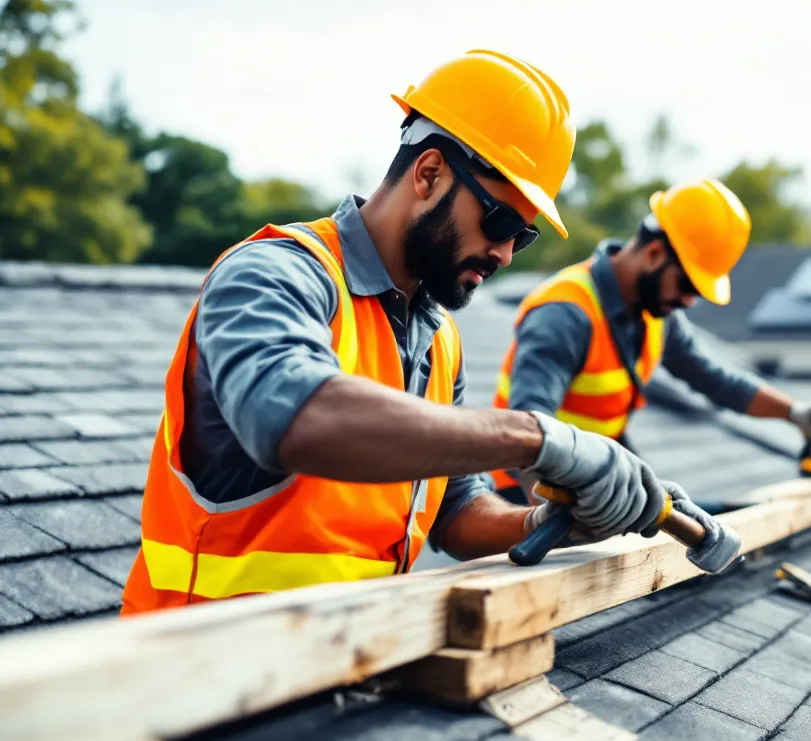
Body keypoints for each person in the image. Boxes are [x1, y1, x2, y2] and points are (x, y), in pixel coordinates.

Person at [120, 50, 689, 615]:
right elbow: (294, 417)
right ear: (430, 173)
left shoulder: (440, 339)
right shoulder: (274, 272)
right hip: (195, 679)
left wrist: (553, 523)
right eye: (502, 222)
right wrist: (541, 439)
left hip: (334, 677)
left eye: (525, 236)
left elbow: (457, 512)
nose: (506, 253)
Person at [486, 178, 811, 506]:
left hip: (588, 482)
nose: (689, 301)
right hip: (522, 496)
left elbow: (718, 381)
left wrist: (795, 413)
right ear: (655, 254)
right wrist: (548, 520)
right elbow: (528, 427)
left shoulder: (657, 316)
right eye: (688, 285)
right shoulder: (566, 312)